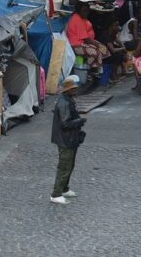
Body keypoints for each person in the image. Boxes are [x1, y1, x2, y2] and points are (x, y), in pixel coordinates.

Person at [50, 76, 86, 205]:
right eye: (73, 88)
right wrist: (80, 121)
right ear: (68, 90)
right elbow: (65, 123)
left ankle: (63, 189)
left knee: (69, 165)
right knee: (65, 166)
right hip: (66, 139)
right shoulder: (64, 103)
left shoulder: (67, 100)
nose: (75, 90)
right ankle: (56, 193)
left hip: (69, 138)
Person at [65, 3, 110, 70]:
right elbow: (86, 39)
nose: (86, 12)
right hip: (76, 45)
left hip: (82, 42)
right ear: (79, 11)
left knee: (104, 50)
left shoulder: (81, 17)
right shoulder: (77, 19)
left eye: (87, 10)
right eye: (84, 11)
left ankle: (95, 68)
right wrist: (96, 45)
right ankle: (87, 68)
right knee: (96, 53)